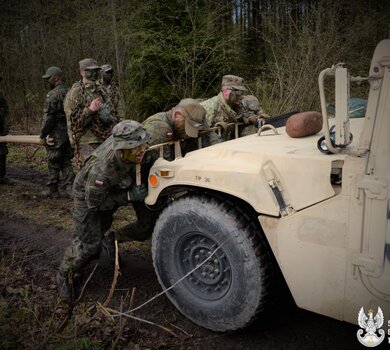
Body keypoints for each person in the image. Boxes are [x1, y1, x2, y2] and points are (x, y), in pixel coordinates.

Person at [56, 120, 150, 300]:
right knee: (90, 245)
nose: (143, 150)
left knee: (100, 228)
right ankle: (64, 274)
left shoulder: (131, 153)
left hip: (108, 190)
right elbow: (95, 204)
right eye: (137, 147)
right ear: (122, 149)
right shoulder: (102, 170)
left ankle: (85, 249)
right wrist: (128, 197)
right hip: (89, 197)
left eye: (143, 144)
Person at [113, 98, 220, 244]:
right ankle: (113, 240)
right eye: (187, 126)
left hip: (155, 180)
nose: (188, 133)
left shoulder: (176, 127)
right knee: (146, 226)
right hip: (140, 181)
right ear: (176, 115)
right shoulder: (159, 130)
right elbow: (137, 161)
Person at [64, 58, 116, 169]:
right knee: (91, 174)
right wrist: (90, 111)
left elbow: (113, 113)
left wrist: (107, 117)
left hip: (103, 139)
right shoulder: (75, 93)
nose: (94, 74)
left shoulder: (100, 91)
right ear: (82, 72)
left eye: (96, 71)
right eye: (90, 71)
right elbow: (75, 124)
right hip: (85, 141)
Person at [40, 66, 75, 198]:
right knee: (66, 160)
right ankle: (70, 187)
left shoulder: (53, 94)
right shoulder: (70, 92)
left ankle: (52, 189)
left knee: (53, 160)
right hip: (69, 132)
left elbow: (48, 118)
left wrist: (43, 135)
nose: (47, 81)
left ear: (56, 78)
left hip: (56, 133)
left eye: (48, 78)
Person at [200, 74, 247, 141]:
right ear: (225, 91)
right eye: (238, 92)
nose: (241, 96)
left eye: (242, 93)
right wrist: (216, 130)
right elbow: (203, 136)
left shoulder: (236, 106)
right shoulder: (210, 107)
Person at [0, 76, 10, 185]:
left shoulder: (1, 98)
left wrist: (5, 129)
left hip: (1, 130)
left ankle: (1, 176)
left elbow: (6, 114)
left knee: (2, 153)